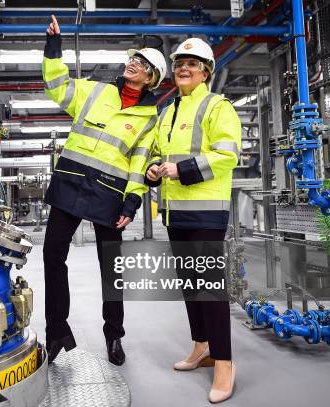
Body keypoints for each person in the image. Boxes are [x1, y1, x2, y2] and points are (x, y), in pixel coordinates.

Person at [42, 15, 166, 366]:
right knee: (53, 256)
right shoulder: (95, 92)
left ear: (151, 77)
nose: (132, 63)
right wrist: (54, 48)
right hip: (71, 185)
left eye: (140, 62)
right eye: (132, 58)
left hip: (109, 197)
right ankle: (56, 332)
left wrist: (132, 201)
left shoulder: (150, 119)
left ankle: (114, 336)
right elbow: (56, 86)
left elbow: (141, 163)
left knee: (112, 269)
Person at [145, 38, 241, 403]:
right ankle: (201, 346)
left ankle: (225, 362)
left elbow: (228, 154)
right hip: (174, 211)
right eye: (179, 62)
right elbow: (156, 151)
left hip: (205, 211)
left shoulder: (218, 106)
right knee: (190, 285)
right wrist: (154, 167)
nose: (184, 68)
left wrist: (180, 169)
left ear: (206, 71)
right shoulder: (167, 110)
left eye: (192, 63)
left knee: (210, 289)